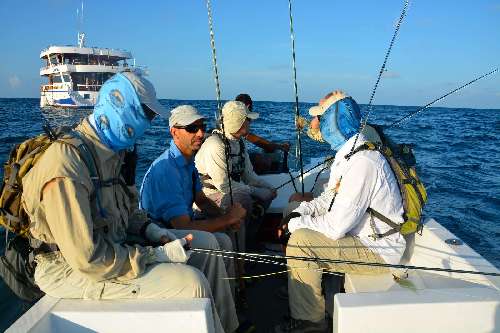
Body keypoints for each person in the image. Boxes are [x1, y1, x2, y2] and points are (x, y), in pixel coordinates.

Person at [22, 72, 238, 333]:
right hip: (69, 269)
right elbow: (89, 259)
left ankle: (227, 327)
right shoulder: (66, 165)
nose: (147, 124)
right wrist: (154, 255)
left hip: (114, 246)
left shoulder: (115, 154)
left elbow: (128, 212)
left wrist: (155, 233)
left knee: (206, 246)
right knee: (191, 283)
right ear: (122, 108)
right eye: (145, 114)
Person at [275, 94, 406, 332]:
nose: (316, 123)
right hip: (357, 236)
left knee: (301, 242)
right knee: (293, 210)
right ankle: (301, 284)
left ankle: (311, 322)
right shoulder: (348, 154)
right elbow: (328, 198)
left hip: (377, 250)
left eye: (320, 118)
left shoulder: (363, 162)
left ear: (333, 121)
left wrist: (295, 226)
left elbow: (336, 227)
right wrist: (299, 213)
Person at [139, 104, 247, 289]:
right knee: (214, 241)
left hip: (178, 226)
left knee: (225, 236)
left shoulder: (188, 162)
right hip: (159, 237)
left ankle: (231, 291)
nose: (200, 133)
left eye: (202, 127)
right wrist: (228, 218)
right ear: (174, 132)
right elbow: (183, 226)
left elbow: (202, 200)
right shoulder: (166, 170)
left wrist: (225, 218)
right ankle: (220, 300)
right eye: (191, 128)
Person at [195, 101, 277, 251]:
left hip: (231, 190)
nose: (250, 123)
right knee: (242, 199)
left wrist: (268, 188)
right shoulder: (215, 144)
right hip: (209, 197)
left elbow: (249, 176)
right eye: (248, 120)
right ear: (239, 123)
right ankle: (237, 251)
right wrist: (255, 191)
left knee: (264, 197)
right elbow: (224, 186)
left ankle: (248, 241)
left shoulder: (239, 143)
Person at [235, 93, 290, 174]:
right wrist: (281, 147)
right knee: (264, 160)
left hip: (232, 157)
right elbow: (256, 140)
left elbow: (252, 138)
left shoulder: (229, 120)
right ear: (248, 106)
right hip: (236, 161)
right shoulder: (241, 123)